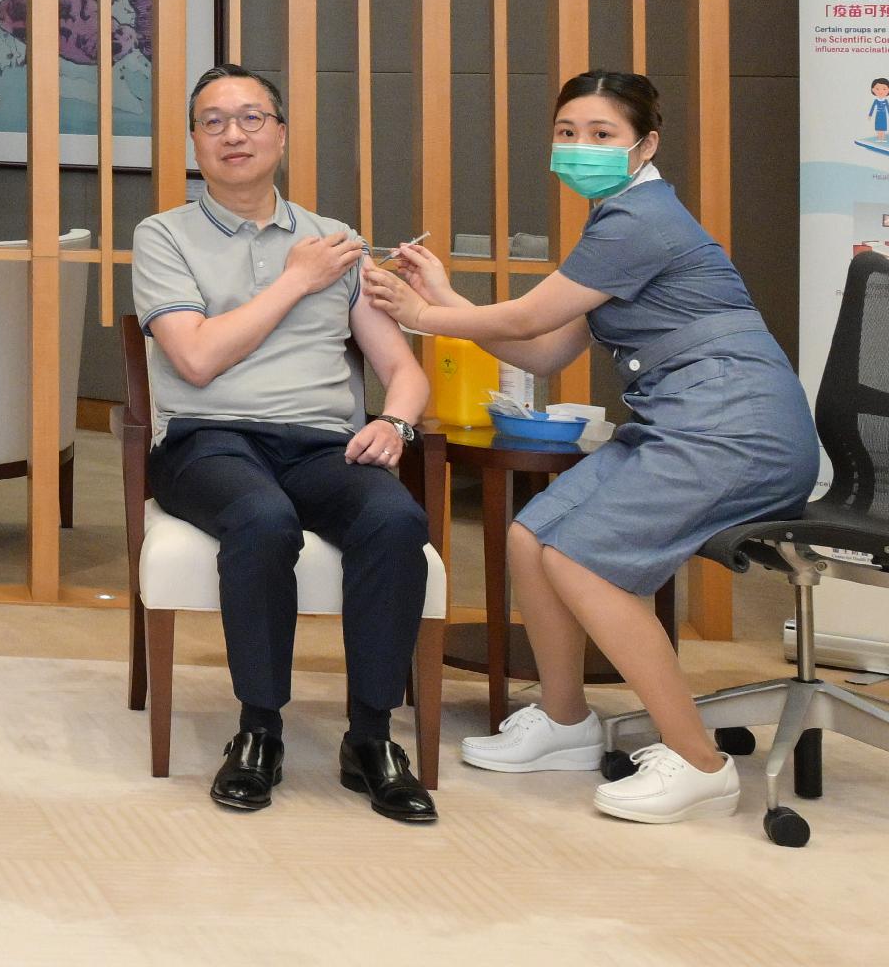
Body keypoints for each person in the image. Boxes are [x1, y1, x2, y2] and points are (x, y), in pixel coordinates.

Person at [367, 70, 819, 827]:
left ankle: (700, 763)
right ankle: (567, 722)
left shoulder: (638, 220)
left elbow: (530, 315)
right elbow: (544, 348)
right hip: (682, 425)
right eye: (568, 132)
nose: (580, 147)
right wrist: (442, 296)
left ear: (646, 144)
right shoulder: (617, 221)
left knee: (583, 562)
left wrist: (426, 314)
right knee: (531, 536)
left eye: (602, 135)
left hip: (734, 432)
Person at [124, 64, 438, 823]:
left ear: (283, 133)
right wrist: (296, 281)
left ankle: (370, 737)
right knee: (262, 521)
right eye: (214, 121)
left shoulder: (336, 244)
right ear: (195, 142)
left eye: (252, 118)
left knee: (397, 521)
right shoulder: (164, 236)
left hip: (323, 444)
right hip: (209, 440)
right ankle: (258, 729)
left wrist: (393, 422)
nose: (234, 134)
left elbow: (403, 370)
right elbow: (195, 359)